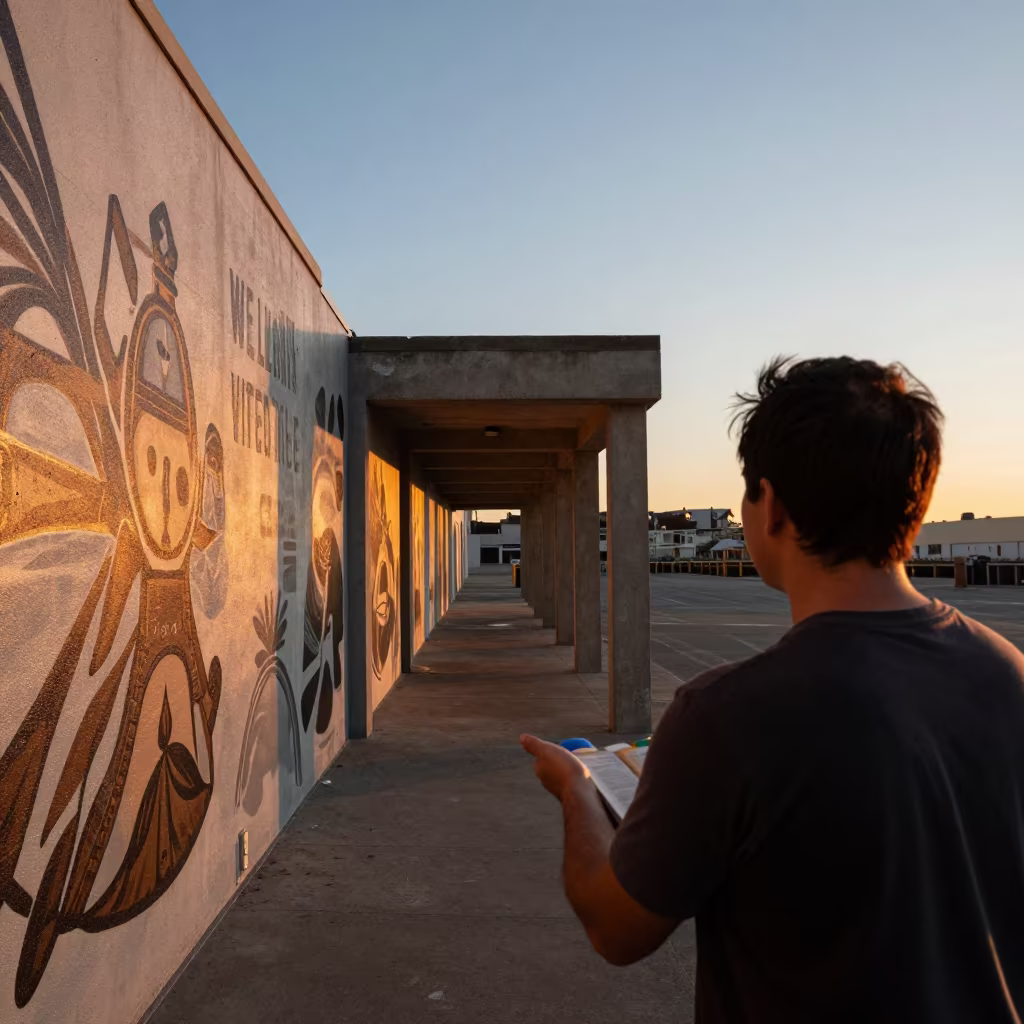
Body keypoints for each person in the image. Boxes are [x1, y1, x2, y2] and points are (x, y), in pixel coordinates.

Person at [522, 356, 1024, 1023]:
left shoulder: (727, 718)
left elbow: (617, 927)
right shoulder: (1006, 672)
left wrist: (576, 792)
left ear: (775, 507)